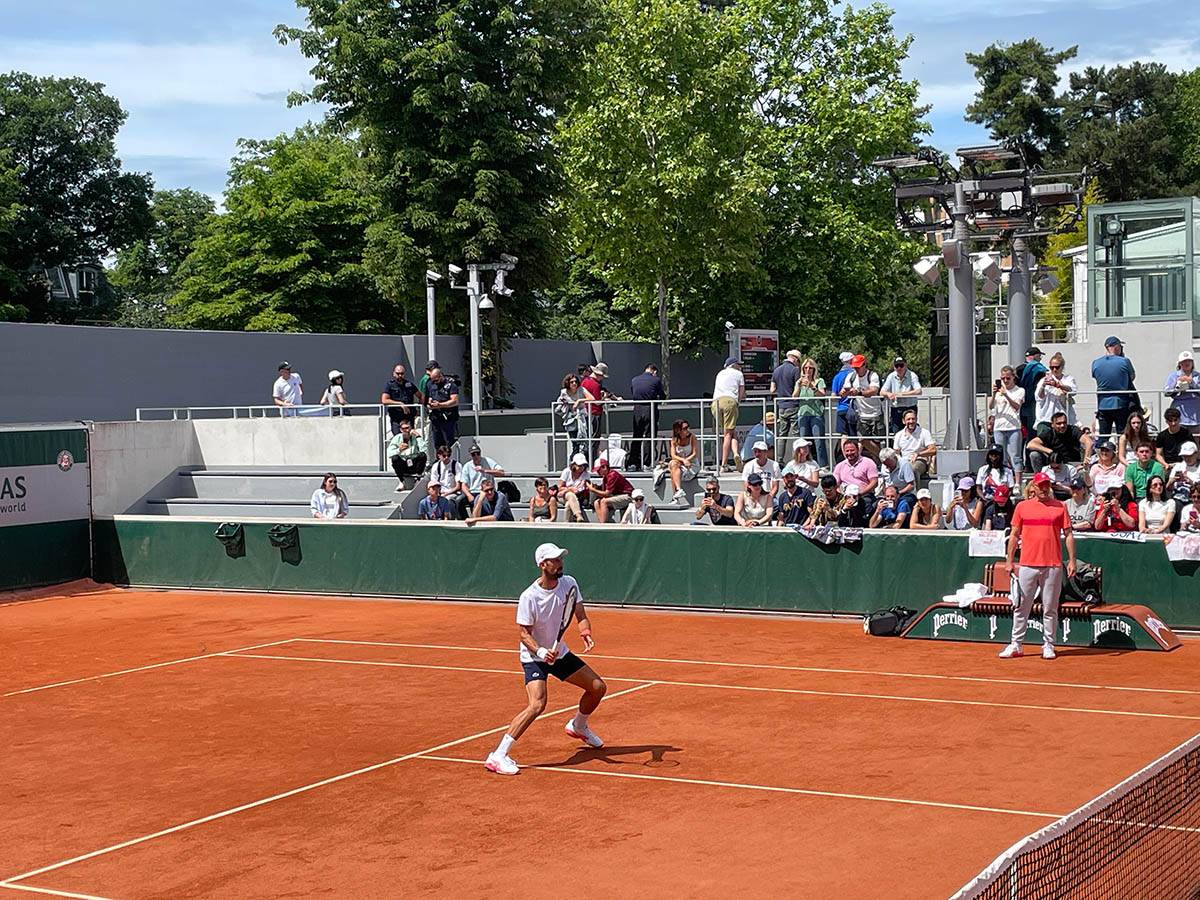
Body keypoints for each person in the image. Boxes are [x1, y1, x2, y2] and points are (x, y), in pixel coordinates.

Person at [484, 543, 607, 776]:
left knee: (598, 688)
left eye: (561, 558)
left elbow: (580, 614)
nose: (560, 563)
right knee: (538, 704)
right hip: (534, 657)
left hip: (559, 653)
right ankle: (499, 755)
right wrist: (540, 651)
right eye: (555, 560)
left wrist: (585, 632)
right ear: (543, 565)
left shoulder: (569, 584)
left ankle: (578, 726)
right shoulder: (529, 596)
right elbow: (523, 633)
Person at [998, 471, 1077, 660]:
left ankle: (1048, 645)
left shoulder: (1060, 507)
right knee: (1021, 606)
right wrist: (1010, 561)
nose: (1043, 488)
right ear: (1033, 486)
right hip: (1027, 564)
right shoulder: (1022, 507)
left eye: (1046, 485)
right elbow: (1014, 535)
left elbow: (1069, 535)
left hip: (1052, 564)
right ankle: (1016, 644)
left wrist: (1072, 560)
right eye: (1040, 485)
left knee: (1050, 607)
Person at [1092, 336, 1137, 441]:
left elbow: (1095, 376)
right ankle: (1121, 455)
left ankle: (1102, 455)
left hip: (1102, 404)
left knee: (1104, 435)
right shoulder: (1125, 361)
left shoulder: (1096, 363)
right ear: (1116, 347)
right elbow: (1132, 377)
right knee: (1122, 435)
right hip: (1121, 403)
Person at [1026, 412, 1092, 474]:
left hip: (1072, 464)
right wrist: (1050, 452)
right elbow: (1030, 444)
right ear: (1052, 425)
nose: (1062, 425)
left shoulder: (1073, 430)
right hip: (1053, 464)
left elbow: (1089, 442)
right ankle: (1040, 479)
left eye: (1064, 422)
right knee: (1034, 455)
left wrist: (1086, 460)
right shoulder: (1049, 433)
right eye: (1059, 423)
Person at [793, 358, 829, 467]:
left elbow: (823, 395)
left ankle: (823, 465)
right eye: (805, 368)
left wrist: (812, 387)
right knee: (803, 442)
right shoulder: (799, 381)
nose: (808, 370)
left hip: (816, 414)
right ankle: (803, 464)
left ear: (814, 369)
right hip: (803, 414)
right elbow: (794, 397)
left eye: (810, 368)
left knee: (819, 442)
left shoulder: (819, 381)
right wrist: (799, 386)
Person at [990, 366, 1025, 480]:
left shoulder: (1019, 390)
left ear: (1013, 378)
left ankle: (1017, 482)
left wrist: (1006, 394)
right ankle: (1005, 480)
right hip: (999, 427)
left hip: (1013, 427)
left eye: (1008, 378)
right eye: (1003, 378)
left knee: (1015, 456)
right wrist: (994, 394)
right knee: (1001, 456)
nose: (1005, 381)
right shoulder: (999, 391)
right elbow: (991, 407)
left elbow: (1016, 406)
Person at [711, 357, 746, 472]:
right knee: (728, 434)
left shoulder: (720, 373)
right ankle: (724, 464)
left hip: (716, 403)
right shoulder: (738, 374)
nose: (740, 366)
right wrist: (739, 401)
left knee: (730, 433)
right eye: (738, 364)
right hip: (730, 401)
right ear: (733, 365)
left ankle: (736, 454)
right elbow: (742, 393)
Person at [629, 363, 665, 471]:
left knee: (637, 436)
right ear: (653, 371)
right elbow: (662, 396)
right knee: (649, 436)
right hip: (650, 408)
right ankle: (646, 463)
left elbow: (633, 393)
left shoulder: (634, 380)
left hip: (637, 409)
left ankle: (633, 463)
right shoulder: (656, 380)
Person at [832, 439, 879, 515]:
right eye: (847, 451)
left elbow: (874, 482)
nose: (849, 453)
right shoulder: (840, 466)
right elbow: (834, 485)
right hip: (845, 496)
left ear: (858, 450)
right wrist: (843, 495)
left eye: (852, 450)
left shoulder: (868, 462)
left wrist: (860, 494)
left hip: (864, 495)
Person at [460, 444, 506, 518]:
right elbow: (463, 485)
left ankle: (479, 519)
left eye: (478, 454)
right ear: (470, 456)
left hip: (487, 490)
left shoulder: (488, 461)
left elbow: (501, 473)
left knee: (484, 502)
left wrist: (485, 470)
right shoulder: (467, 466)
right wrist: (469, 495)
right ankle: (465, 520)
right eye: (473, 454)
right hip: (473, 492)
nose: (476, 456)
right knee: (458, 501)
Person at [842, 354, 883, 439]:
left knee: (879, 440)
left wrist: (859, 392)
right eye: (854, 367)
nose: (856, 369)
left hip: (876, 413)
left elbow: (874, 390)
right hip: (861, 414)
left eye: (858, 367)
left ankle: (878, 452)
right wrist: (845, 392)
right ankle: (876, 452)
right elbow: (843, 391)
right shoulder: (851, 376)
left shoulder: (873, 375)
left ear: (864, 365)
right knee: (863, 440)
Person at [555, 372, 593, 461]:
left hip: (582, 417)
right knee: (575, 444)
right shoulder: (564, 392)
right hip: (571, 419)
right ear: (568, 383)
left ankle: (585, 463)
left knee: (585, 443)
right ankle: (574, 463)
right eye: (572, 382)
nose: (574, 384)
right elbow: (558, 404)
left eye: (575, 381)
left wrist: (579, 400)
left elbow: (592, 398)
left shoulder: (581, 389)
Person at [880, 357, 922, 433]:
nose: (899, 368)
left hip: (910, 408)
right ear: (894, 367)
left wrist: (902, 394)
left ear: (906, 365)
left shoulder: (912, 375)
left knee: (911, 431)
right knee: (897, 433)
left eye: (901, 365)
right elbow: (882, 392)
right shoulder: (891, 376)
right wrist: (888, 394)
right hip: (896, 409)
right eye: (897, 366)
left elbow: (919, 391)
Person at [892, 409, 936, 481]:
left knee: (912, 469)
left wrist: (918, 454)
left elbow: (933, 450)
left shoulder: (924, 432)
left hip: (920, 461)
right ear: (904, 421)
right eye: (908, 419)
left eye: (913, 419)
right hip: (904, 461)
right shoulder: (899, 435)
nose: (911, 421)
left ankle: (914, 491)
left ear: (916, 419)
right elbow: (896, 452)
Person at [1034, 353, 1076, 427]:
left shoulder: (1068, 379)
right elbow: (1039, 397)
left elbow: (1072, 391)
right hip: (1047, 417)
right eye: (1051, 367)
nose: (1054, 370)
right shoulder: (1044, 380)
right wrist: (1043, 386)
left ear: (1062, 367)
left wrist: (1058, 385)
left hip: (1064, 418)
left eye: (1057, 367)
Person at [1165, 350, 1200, 434]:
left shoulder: (1198, 376)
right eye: (1184, 361)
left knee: (1195, 439)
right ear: (1180, 364)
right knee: (1179, 438)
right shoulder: (1173, 376)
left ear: (1192, 363)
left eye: (1189, 361)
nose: (1187, 363)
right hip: (1179, 411)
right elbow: (1166, 392)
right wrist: (1176, 384)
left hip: (1196, 412)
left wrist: (1192, 383)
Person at [1015, 347, 1047, 437]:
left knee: (1023, 434)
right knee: (1033, 433)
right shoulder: (1038, 368)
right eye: (1040, 356)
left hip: (1020, 405)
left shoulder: (1018, 369)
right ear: (1035, 356)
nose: (1040, 358)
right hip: (1033, 405)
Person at [425, 367, 460, 450]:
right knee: (437, 443)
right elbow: (430, 397)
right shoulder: (432, 385)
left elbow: (454, 401)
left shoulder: (451, 385)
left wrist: (440, 405)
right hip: (436, 418)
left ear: (440, 376)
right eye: (433, 381)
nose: (435, 383)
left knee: (449, 442)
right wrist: (430, 404)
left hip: (447, 418)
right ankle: (439, 460)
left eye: (436, 380)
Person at [771, 349, 802, 441]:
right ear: (795, 359)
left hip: (781, 406)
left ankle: (779, 456)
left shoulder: (776, 370)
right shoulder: (795, 370)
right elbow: (797, 388)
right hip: (793, 405)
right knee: (796, 434)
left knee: (782, 434)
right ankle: (797, 455)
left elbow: (772, 390)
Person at [387, 419, 428, 487]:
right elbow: (389, 454)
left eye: (407, 428)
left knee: (422, 455)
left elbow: (424, 450)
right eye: (403, 429)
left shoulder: (416, 437)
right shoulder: (397, 438)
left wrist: (418, 436)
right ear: (400, 430)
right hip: (403, 464)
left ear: (411, 428)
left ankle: (418, 479)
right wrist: (399, 450)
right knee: (395, 458)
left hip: (414, 463)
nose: (406, 430)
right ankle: (401, 481)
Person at [382, 363, 420, 434]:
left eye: (402, 374)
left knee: (410, 437)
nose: (400, 376)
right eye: (398, 373)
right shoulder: (390, 385)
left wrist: (419, 409)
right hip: (396, 417)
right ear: (393, 373)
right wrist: (400, 404)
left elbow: (421, 396)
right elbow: (384, 400)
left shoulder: (409, 384)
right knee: (397, 437)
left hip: (409, 417)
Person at [667, 419, 699, 503]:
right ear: (678, 430)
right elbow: (673, 455)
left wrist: (686, 460)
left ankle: (675, 495)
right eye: (685, 428)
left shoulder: (692, 437)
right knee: (673, 463)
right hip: (680, 463)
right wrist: (683, 460)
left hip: (691, 464)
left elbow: (695, 453)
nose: (687, 430)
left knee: (673, 470)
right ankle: (678, 489)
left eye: (688, 427)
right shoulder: (674, 439)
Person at [592, 458, 633, 524]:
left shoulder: (612, 475)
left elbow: (607, 493)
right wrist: (596, 487)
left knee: (604, 501)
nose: (597, 472)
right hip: (617, 496)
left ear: (604, 467)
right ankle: (602, 522)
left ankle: (603, 524)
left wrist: (593, 490)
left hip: (627, 496)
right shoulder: (606, 476)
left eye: (598, 470)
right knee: (596, 502)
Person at [429, 444, 465, 517]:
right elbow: (433, 484)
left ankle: (453, 519)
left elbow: (458, 487)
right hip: (439, 492)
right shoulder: (436, 466)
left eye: (448, 455)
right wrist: (438, 494)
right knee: (426, 501)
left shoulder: (456, 465)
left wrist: (446, 493)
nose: (447, 458)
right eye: (444, 456)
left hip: (453, 492)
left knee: (448, 500)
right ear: (439, 455)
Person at [558, 454, 594, 524]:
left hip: (579, 496)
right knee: (570, 494)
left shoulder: (586, 474)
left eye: (583, 465)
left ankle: (567, 524)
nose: (582, 467)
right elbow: (560, 488)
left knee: (569, 504)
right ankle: (578, 515)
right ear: (574, 465)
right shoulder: (566, 471)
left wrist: (572, 490)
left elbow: (582, 488)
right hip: (564, 495)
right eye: (579, 465)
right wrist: (570, 489)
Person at [1167, 441, 1200, 507]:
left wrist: (1190, 481)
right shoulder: (1178, 466)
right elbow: (1168, 488)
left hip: (1194, 499)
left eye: (1189, 456)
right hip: (1177, 498)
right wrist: (1172, 481)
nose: (1187, 459)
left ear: (1196, 454)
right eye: (1184, 456)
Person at [830, 352, 856, 437]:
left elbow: (833, 395)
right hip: (855, 409)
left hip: (841, 408)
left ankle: (844, 450)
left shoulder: (837, 377)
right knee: (857, 435)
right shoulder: (856, 374)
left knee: (844, 435)